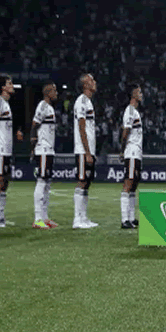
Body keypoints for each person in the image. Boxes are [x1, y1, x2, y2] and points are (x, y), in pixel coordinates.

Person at [0, 74, 23, 228]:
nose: (12, 85)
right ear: (3, 87)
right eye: (9, 83)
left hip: (7, 150)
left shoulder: (6, 105)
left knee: (5, 182)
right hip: (0, 149)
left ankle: (1, 217)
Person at [30, 82, 60, 229]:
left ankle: (45, 217)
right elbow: (34, 124)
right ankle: (37, 218)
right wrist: (33, 144)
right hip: (42, 149)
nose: (56, 93)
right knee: (42, 181)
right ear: (48, 92)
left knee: (47, 183)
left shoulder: (49, 108)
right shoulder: (42, 106)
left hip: (49, 150)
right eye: (54, 90)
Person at [72, 72, 99, 228]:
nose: (94, 82)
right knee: (82, 181)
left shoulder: (88, 102)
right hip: (83, 150)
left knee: (86, 182)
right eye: (91, 80)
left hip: (88, 150)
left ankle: (83, 218)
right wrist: (87, 152)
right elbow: (81, 127)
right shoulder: (81, 101)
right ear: (85, 85)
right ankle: (77, 219)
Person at [119, 82, 144, 228]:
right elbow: (125, 132)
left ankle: (131, 218)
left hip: (137, 152)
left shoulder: (135, 112)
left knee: (134, 184)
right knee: (128, 183)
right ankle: (124, 219)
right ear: (133, 94)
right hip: (132, 152)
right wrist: (123, 151)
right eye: (139, 92)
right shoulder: (129, 111)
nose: (141, 94)